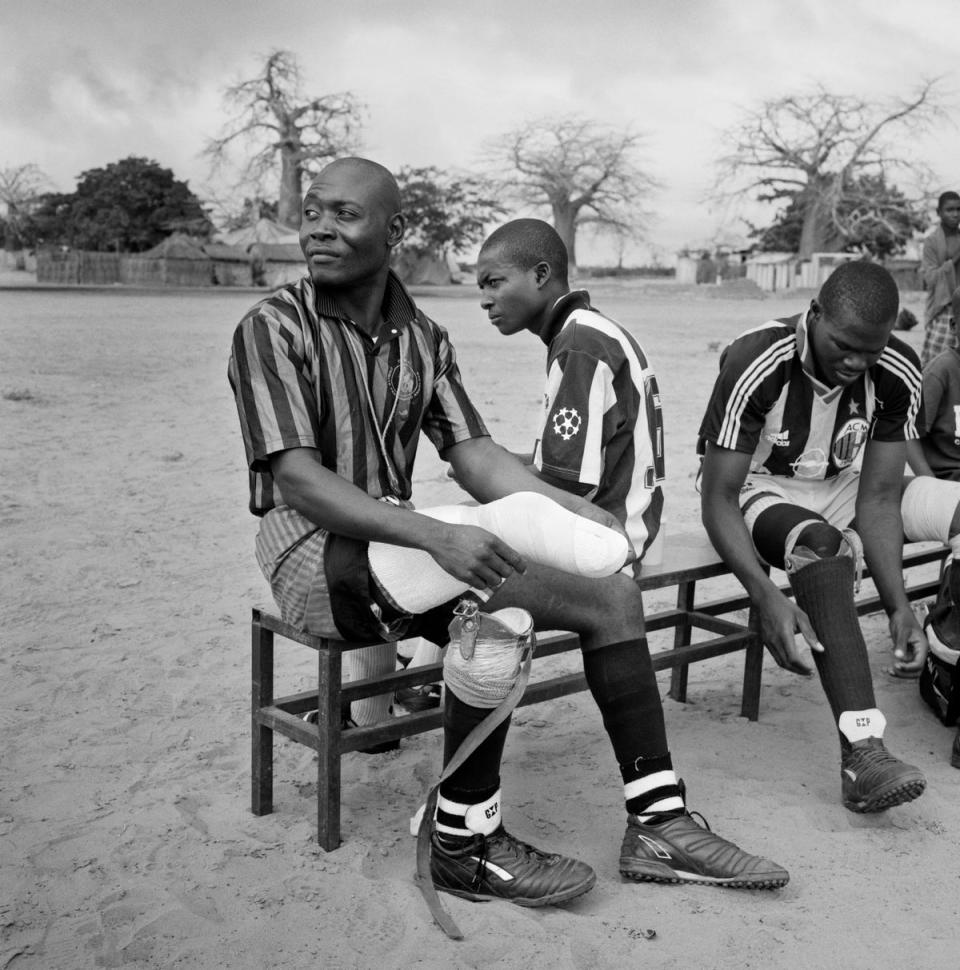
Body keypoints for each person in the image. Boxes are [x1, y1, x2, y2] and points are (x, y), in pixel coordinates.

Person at [228, 158, 789, 913]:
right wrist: (436, 536)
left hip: (400, 550)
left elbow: (476, 457)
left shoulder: (422, 338)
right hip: (309, 556)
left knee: (610, 595)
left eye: (345, 215)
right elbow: (298, 480)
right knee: (490, 585)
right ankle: (464, 842)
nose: (319, 228)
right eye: (313, 214)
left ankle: (657, 824)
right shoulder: (272, 326)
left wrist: (569, 512)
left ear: (394, 232)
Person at [699, 259, 960, 809]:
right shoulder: (758, 358)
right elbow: (717, 497)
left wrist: (899, 608)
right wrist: (766, 595)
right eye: (844, 344)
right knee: (821, 544)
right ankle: (863, 752)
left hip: (846, 486)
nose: (857, 361)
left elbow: (882, 496)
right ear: (814, 314)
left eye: (872, 348)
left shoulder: (897, 368)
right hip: (757, 485)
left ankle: (948, 665)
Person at [908, 287, 960, 482]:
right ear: (954, 326)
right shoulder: (940, 371)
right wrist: (928, 483)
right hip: (949, 480)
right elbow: (908, 434)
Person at [920, 191, 960, 366]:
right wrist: (955, 260)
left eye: (959, 209)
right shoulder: (931, 241)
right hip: (944, 307)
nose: (955, 214)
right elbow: (930, 278)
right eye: (949, 209)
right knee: (936, 361)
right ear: (939, 212)